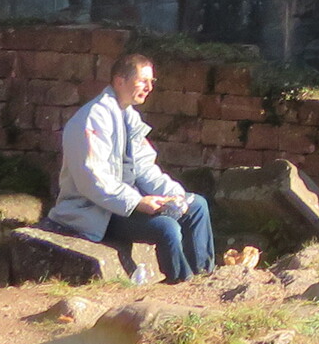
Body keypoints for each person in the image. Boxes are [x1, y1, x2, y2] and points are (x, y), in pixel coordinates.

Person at [46, 53, 214, 284]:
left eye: (151, 81)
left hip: (127, 202)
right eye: (142, 81)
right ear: (120, 81)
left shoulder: (129, 117)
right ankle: (181, 284)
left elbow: (145, 168)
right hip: (96, 211)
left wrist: (175, 195)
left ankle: (204, 280)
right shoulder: (92, 119)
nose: (149, 87)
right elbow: (93, 180)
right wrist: (138, 202)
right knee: (167, 228)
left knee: (197, 206)